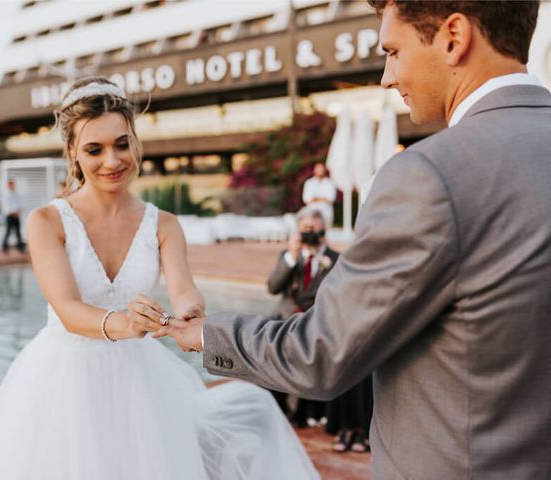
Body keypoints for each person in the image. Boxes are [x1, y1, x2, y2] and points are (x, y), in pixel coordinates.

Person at [136, 2, 551, 478]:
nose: (386, 77)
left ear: (453, 37)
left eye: (393, 51)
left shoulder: (429, 175)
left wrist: (205, 334)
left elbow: (322, 352)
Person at [0, 77, 319, 480]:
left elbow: (184, 290)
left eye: (122, 144)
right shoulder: (47, 222)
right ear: (73, 153)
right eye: (94, 149)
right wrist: (124, 323)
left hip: (140, 382)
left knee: (250, 410)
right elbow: (69, 310)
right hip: (62, 383)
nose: (112, 161)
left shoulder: (164, 224)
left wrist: (188, 313)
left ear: (135, 142)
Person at [266, 208, 338, 427]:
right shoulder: (288, 256)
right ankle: (278, 406)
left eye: (314, 230)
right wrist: (291, 255)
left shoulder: (334, 259)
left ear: (324, 231)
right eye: (305, 230)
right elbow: (273, 287)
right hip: (285, 320)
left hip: (316, 321)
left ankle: (304, 411)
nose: (309, 235)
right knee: (268, 343)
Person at [301, 162, 336, 227]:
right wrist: (323, 199)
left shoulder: (330, 183)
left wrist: (315, 199)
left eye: (321, 170)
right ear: (314, 171)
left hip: (326, 212)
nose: (320, 172)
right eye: (318, 170)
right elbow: (306, 199)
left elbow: (331, 198)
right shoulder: (309, 183)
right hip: (311, 212)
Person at [0, 179, 25, 253]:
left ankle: (20, 247)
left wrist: (18, 212)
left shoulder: (17, 194)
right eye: (10, 184)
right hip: (9, 216)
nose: (12, 186)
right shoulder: (5, 195)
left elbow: (20, 204)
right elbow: (5, 207)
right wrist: (13, 212)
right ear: (8, 185)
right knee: (7, 232)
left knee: (18, 232)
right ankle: (5, 247)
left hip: (16, 216)